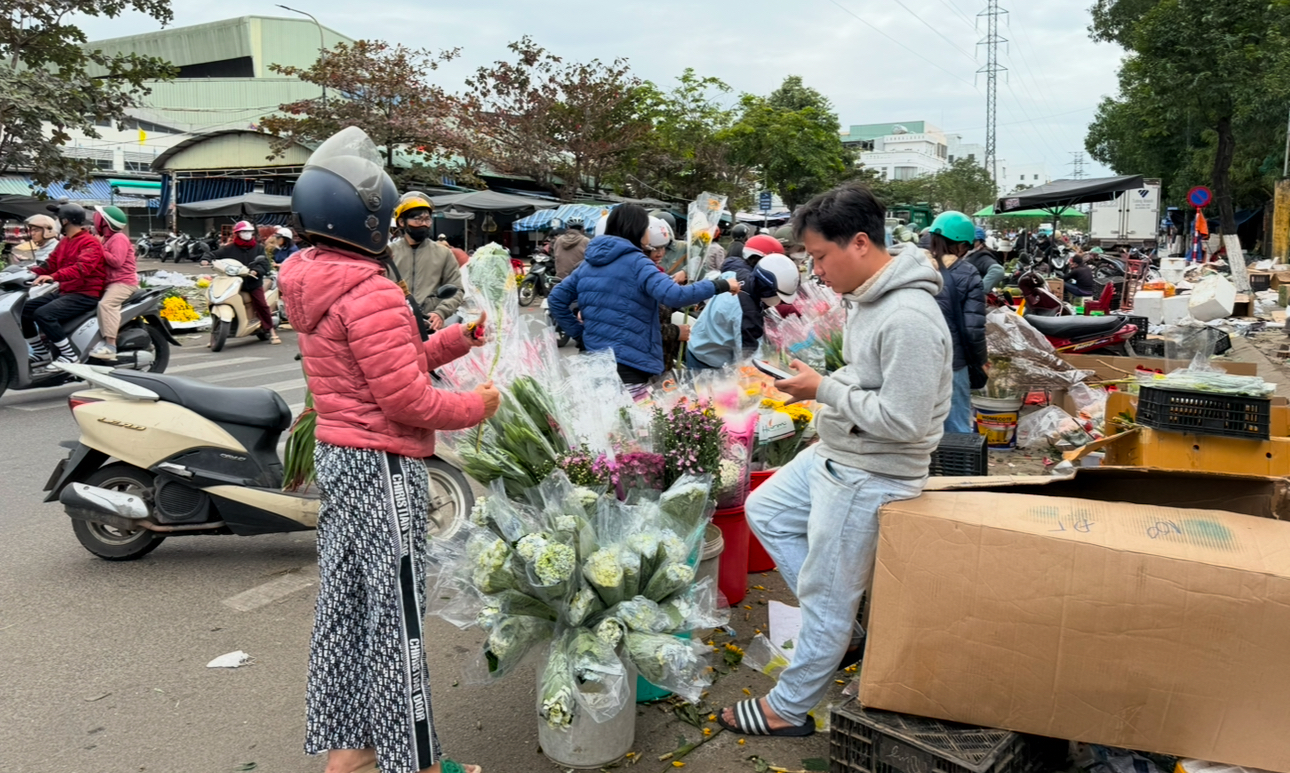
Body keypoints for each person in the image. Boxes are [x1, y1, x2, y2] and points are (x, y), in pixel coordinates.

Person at [279, 127, 494, 773]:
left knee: (347, 607)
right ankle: (417, 762)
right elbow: (408, 400)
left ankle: (351, 751)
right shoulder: (370, 287)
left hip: (341, 455)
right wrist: (477, 406)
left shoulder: (311, 276)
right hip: (382, 463)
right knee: (396, 618)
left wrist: (458, 339)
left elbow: (385, 368)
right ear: (366, 218)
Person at [718, 183, 951, 739]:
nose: (817, 271)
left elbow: (907, 420)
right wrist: (813, 385)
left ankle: (787, 708)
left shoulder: (909, 318)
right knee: (767, 507)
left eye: (820, 257)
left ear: (861, 244)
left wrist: (825, 389)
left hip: (873, 470)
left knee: (826, 592)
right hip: (841, 450)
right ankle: (838, 627)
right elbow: (864, 378)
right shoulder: (870, 300)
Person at [548, 203, 741, 389]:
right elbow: (675, 296)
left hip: (593, 359)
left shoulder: (587, 265)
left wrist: (580, 336)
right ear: (638, 230)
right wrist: (721, 284)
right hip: (628, 364)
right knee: (629, 421)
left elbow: (556, 300)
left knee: (601, 418)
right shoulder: (638, 262)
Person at [22, 204, 107, 369]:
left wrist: (52, 277)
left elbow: (82, 268)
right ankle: (41, 353)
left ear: (65, 220)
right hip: (66, 291)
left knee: (43, 314)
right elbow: (51, 263)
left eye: (57, 219)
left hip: (85, 294)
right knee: (24, 310)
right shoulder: (65, 241)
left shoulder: (90, 243)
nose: (56, 224)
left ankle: (70, 356)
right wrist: (30, 271)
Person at [926, 211, 987, 435]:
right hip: (953, 362)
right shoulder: (968, 273)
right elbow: (973, 330)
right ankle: (955, 469)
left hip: (911, 361)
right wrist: (980, 360)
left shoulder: (911, 266)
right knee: (957, 428)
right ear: (961, 245)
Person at [687, 253, 800, 370]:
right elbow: (748, 358)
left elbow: (731, 261)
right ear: (767, 290)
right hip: (709, 360)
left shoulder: (741, 274)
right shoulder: (748, 313)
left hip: (699, 338)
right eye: (779, 297)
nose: (780, 301)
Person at [389, 196, 463, 330]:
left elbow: (456, 289)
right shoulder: (388, 254)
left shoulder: (444, 253)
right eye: (418, 219)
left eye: (427, 219)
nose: (423, 224)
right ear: (401, 222)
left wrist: (440, 313)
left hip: (430, 325)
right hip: (394, 324)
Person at [213, 220, 280, 345]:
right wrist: (206, 259)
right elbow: (215, 255)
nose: (247, 234)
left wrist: (256, 271)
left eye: (249, 232)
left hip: (253, 282)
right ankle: (215, 334)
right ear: (237, 234)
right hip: (234, 281)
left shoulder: (259, 248)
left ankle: (271, 331)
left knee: (261, 304)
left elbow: (264, 264)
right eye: (244, 232)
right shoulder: (229, 249)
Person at [722, 234, 791, 353]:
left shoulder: (737, 273)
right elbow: (747, 351)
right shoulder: (748, 299)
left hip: (718, 343)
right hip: (713, 357)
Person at [87, 206, 138, 361]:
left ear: (105, 222)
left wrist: (99, 247)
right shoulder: (107, 239)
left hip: (123, 283)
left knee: (106, 305)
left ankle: (110, 346)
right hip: (110, 282)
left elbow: (116, 261)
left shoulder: (118, 238)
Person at [965, 226, 1005, 293]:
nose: (970, 244)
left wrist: (978, 292)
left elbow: (997, 271)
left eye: (974, 241)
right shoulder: (971, 254)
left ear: (980, 241)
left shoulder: (980, 256)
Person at [552, 215, 590, 279]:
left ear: (568, 227)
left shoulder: (559, 240)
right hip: (579, 278)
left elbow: (554, 255)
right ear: (582, 228)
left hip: (560, 279)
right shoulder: (586, 241)